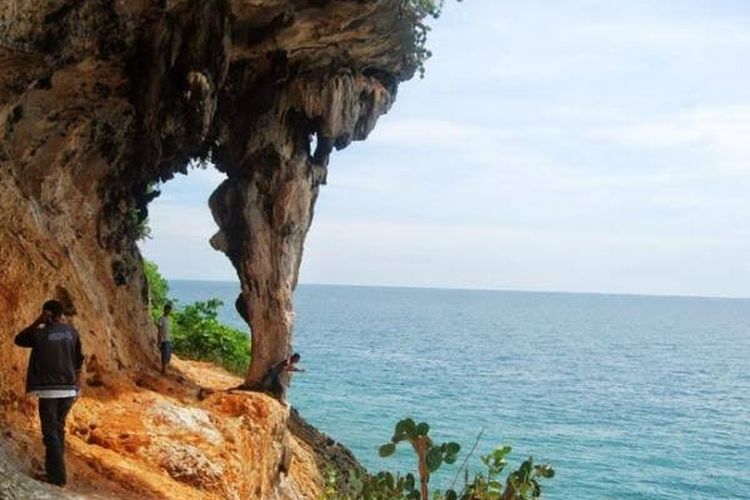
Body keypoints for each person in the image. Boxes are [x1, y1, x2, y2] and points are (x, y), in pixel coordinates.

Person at [14, 299, 83, 487]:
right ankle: (53, 471)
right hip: (69, 389)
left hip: (49, 390)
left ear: (47, 313)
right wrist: (77, 385)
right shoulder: (72, 332)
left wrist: (38, 320)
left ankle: (58, 477)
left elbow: (19, 339)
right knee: (58, 429)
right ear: (61, 314)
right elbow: (79, 360)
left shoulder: (39, 333)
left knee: (50, 432)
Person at [157, 303, 173, 374]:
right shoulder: (161, 319)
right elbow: (159, 330)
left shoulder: (169, 319)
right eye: (167, 310)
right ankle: (163, 369)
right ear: (164, 310)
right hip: (163, 339)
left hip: (169, 339)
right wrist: (159, 340)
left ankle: (166, 368)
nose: (168, 311)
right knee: (164, 354)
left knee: (169, 355)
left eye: (169, 310)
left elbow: (169, 329)